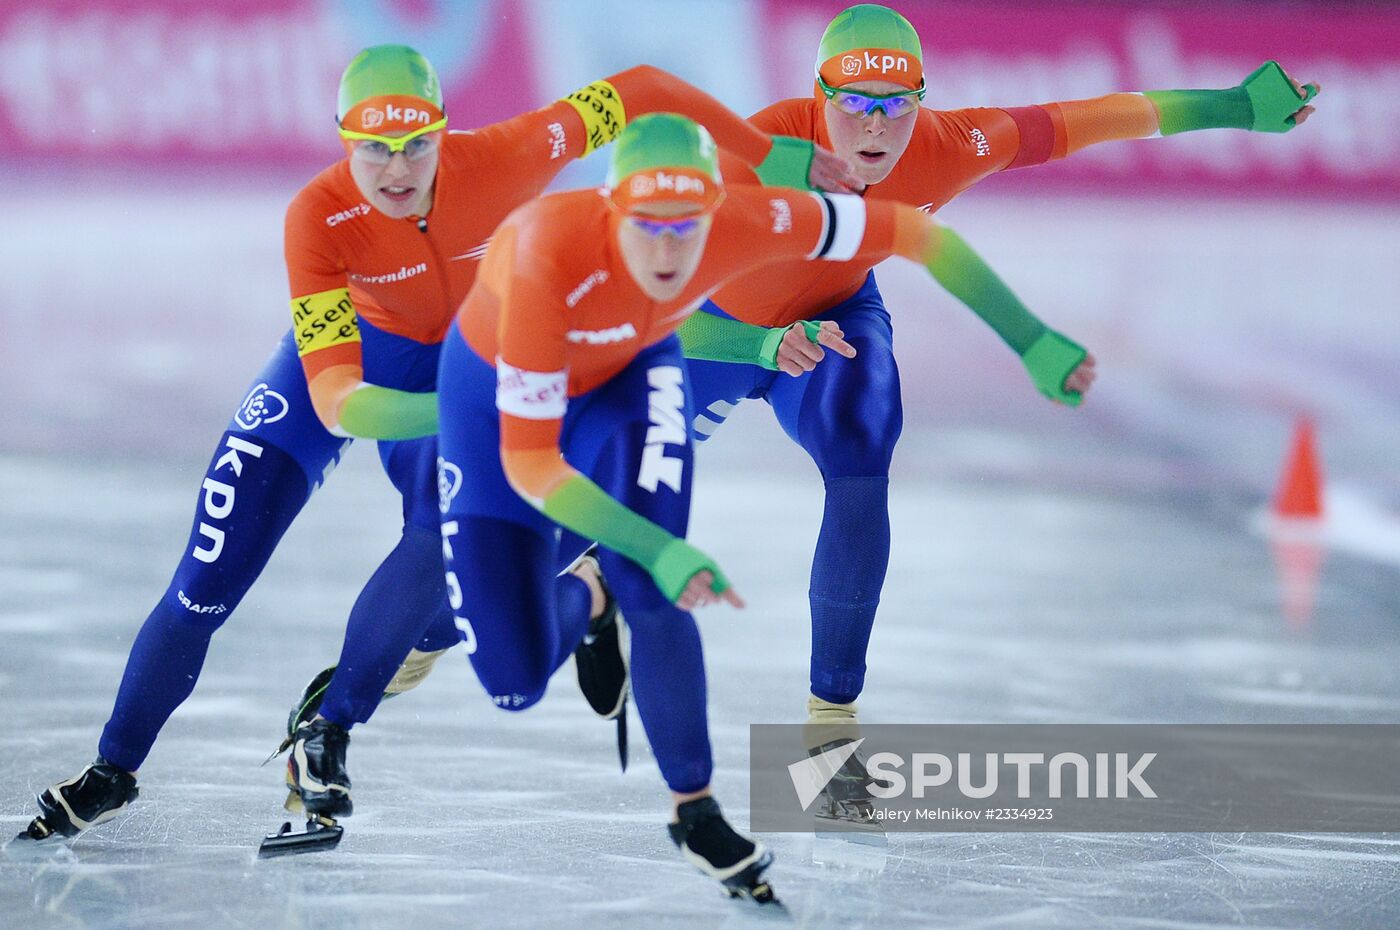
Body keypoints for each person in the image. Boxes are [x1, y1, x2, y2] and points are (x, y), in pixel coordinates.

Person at [13, 44, 855, 847]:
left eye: (415, 144)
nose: (396, 169)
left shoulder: (504, 156)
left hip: (462, 361)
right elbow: (337, 400)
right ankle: (113, 769)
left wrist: (766, 154)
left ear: (444, 131)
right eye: (372, 149)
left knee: (449, 556)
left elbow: (638, 87)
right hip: (356, 378)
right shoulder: (318, 216)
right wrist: (451, 416)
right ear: (345, 144)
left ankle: (329, 729)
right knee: (207, 583)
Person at [675, 3, 1319, 826]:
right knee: (596, 521)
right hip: (711, 330)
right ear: (816, 96)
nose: (875, 130)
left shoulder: (948, 147)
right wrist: (760, 350)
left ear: (923, 101)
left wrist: (1233, 106)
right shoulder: (754, 154)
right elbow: (656, 309)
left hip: (835, 318)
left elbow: (1093, 119)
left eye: (897, 106)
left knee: (863, 445)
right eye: (854, 105)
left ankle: (831, 732)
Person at [436, 110, 1092, 900]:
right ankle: (589, 592)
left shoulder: (756, 220)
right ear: (613, 216)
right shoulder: (547, 262)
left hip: (653, 364)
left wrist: (1031, 340)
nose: (673, 250)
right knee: (514, 676)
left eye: (692, 227)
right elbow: (532, 461)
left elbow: (922, 237)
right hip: (533, 390)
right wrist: (659, 535)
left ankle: (700, 805)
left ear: (720, 211)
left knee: (663, 577)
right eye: (650, 228)